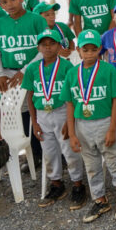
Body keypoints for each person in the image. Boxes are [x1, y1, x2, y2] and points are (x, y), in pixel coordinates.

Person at [61, 29, 116, 223]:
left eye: (94, 49)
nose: (90, 53)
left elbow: (115, 100)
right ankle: (100, 200)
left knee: (113, 159)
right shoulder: (72, 73)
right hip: (82, 125)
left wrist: (112, 128)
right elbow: (69, 103)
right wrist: (73, 133)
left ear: (100, 49)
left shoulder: (108, 70)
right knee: (91, 165)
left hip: (104, 121)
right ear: (78, 50)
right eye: (86, 49)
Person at [21, 29, 87, 209]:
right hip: (42, 114)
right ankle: (57, 184)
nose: (48, 47)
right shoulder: (33, 69)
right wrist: (34, 123)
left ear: (59, 46)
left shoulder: (66, 67)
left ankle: (78, 184)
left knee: (69, 150)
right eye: (44, 44)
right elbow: (30, 96)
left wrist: (70, 121)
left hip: (62, 111)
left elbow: (75, 95)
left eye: (52, 44)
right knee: (48, 152)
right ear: (38, 47)